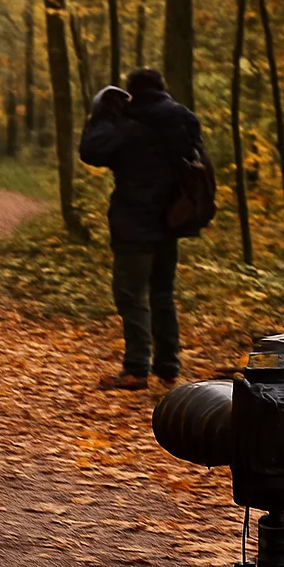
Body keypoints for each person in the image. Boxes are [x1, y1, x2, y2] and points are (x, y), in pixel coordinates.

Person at [79, 68, 210, 390]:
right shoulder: (183, 118)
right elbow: (197, 159)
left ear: (132, 92)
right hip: (172, 219)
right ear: (162, 88)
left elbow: (91, 152)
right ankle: (168, 366)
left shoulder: (127, 124)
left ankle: (136, 369)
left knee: (131, 296)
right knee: (162, 294)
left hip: (133, 222)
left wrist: (102, 116)